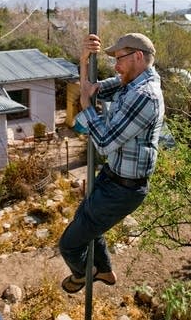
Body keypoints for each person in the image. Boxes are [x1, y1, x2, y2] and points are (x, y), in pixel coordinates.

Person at [59, 32, 165, 293]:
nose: (116, 66)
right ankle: (105, 271)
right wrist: (83, 61)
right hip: (113, 176)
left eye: (119, 58)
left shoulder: (145, 95)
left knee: (70, 244)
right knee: (86, 224)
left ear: (138, 57)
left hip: (124, 189)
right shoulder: (130, 82)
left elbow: (104, 143)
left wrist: (86, 107)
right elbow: (89, 89)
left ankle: (85, 274)